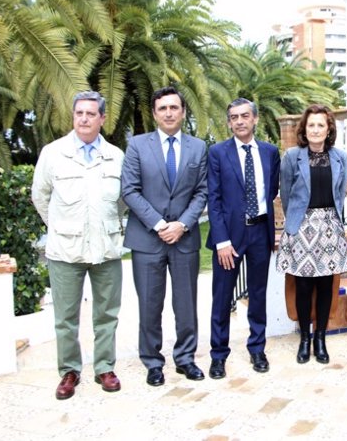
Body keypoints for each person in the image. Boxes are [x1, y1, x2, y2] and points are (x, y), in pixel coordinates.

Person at [31, 91, 124, 400]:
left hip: (107, 249)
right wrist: (59, 226)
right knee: (66, 317)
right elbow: (40, 196)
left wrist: (105, 225)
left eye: (90, 113)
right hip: (65, 252)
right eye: (79, 113)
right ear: (73, 117)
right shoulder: (53, 153)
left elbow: (122, 203)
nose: (83, 118)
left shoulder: (116, 156)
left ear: (102, 118)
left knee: (107, 313)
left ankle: (104, 367)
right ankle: (69, 371)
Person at [121, 86, 208, 386]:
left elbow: (202, 191)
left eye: (174, 108)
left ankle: (185, 359)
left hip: (184, 239)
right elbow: (129, 190)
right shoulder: (137, 146)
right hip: (147, 239)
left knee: (186, 304)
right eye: (163, 109)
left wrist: (181, 225)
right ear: (155, 114)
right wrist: (159, 224)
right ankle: (153, 362)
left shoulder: (198, 148)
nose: (169, 113)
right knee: (149, 303)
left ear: (183, 112)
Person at [207, 98, 280, 377]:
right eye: (234, 117)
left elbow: (270, 191)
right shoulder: (217, 153)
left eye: (245, 116)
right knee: (222, 295)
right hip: (230, 237)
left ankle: (257, 348)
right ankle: (218, 354)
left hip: (260, 232)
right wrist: (222, 240)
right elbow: (213, 200)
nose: (239, 121)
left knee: (258, 293)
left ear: (255, 119)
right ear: (229, 122)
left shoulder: (270, 152)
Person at [276, 104, 347, 364]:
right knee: (304, 286)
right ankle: (305, 339)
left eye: (321, 125)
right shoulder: (292, 156)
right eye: (311, 125)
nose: (316, 130)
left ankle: (320, 338)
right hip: (302, 228)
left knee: (326, 286)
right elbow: (286, 194)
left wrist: (332, 220)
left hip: (330, 226)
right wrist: (297, 220)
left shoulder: (339, 157)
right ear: (304, 130)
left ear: (328, 128)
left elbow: (339, 194)